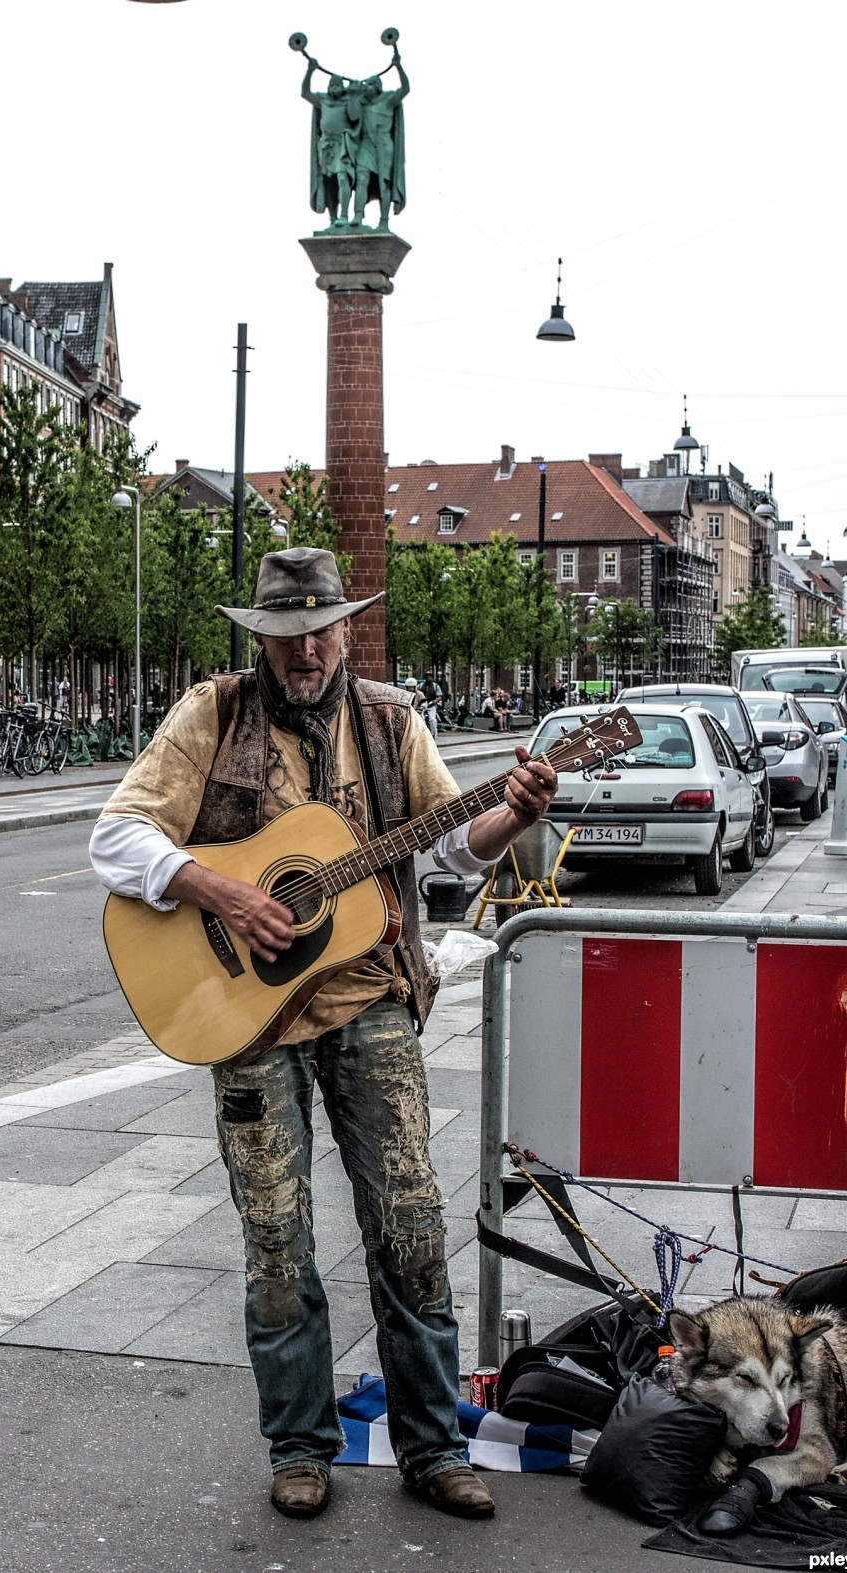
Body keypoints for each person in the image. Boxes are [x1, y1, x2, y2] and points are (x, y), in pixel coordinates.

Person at [89, 549, 557, 1524]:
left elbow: (442, 846)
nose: (305, 650)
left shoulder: (390, 722)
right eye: (286, 633)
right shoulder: (210, 716)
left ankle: (434, 1445)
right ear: (259, 635)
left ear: (348, 628)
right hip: (244, 1020)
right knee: (276, 1239)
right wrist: (216, 887)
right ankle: (299, 1446)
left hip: (371, 997)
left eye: (321, 629)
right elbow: (118, 834)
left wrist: (507, 820)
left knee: (411, 1226)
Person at [352, 46, 408, 229]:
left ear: (377, 87)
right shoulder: (360, 103)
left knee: (384, 185)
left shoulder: (388, 100)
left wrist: (398, 66)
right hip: (366, 144)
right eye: (365, 85)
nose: (367, 88)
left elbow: (405, 88)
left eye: (370, 84)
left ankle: (384, 221)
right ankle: (358, 216)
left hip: (384, 145)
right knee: (361, 179)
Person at [302, 59, 361, 227]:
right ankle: (333, 218)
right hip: (325, 146)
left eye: (337, 86)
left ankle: (344, 214)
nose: (334, 88)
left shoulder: (347, 100)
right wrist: (310, 71)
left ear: (342, 88)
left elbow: (355, 117)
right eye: (332, 86)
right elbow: (305, 93)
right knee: (329, 181)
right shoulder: (323, 100)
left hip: (342, 144)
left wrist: (352, 96)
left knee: (343, 177)